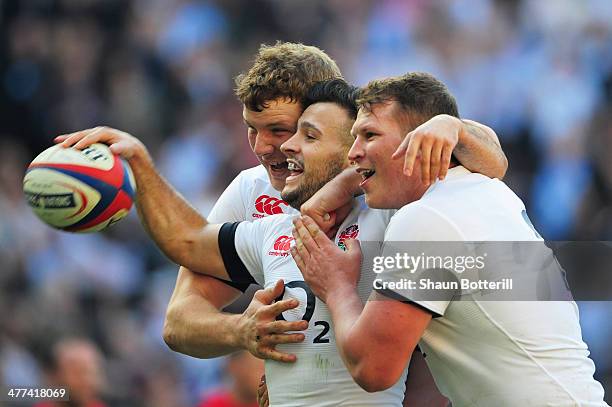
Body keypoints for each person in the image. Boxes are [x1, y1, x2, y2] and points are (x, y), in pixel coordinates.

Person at [55, 41, 509, 366]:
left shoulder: (385, 183)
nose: (266, 148)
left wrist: (454, 125)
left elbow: (488, 162)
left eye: (282, 130)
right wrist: (241, 330)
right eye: (252, 129)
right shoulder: (252, 192)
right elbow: (178, 320)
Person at [56, 79, 439, 406]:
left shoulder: (395, 218)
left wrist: (456, 130)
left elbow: (480, 169)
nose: (286, 146)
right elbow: (187, 241)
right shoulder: (274, 227)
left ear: (353, 153)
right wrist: (138, 161)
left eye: (308, 136)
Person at [291, 72, 608, 406]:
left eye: (370, 135)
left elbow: (374, 368)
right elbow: (492, 154)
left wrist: (336, 285)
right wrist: (338, 188)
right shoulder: (480, 186)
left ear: (422, 143)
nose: (353, 153)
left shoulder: (426, 219)